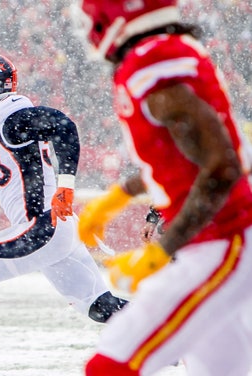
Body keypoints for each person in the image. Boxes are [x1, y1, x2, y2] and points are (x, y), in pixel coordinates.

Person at [0, 53, 127, 376]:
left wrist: (67, 184)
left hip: (43, 225)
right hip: (53, 228)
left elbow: (64, 126)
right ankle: (180, 327)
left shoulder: (8, 115)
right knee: (101, 308)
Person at [74, 1, 252, 375]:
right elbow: (181, 156)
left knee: (111, 364)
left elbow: (221, 167)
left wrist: (160, 252)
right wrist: (121, 194)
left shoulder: (153, 63)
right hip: (221, 236)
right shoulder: (166, 51)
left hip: (224, 238)